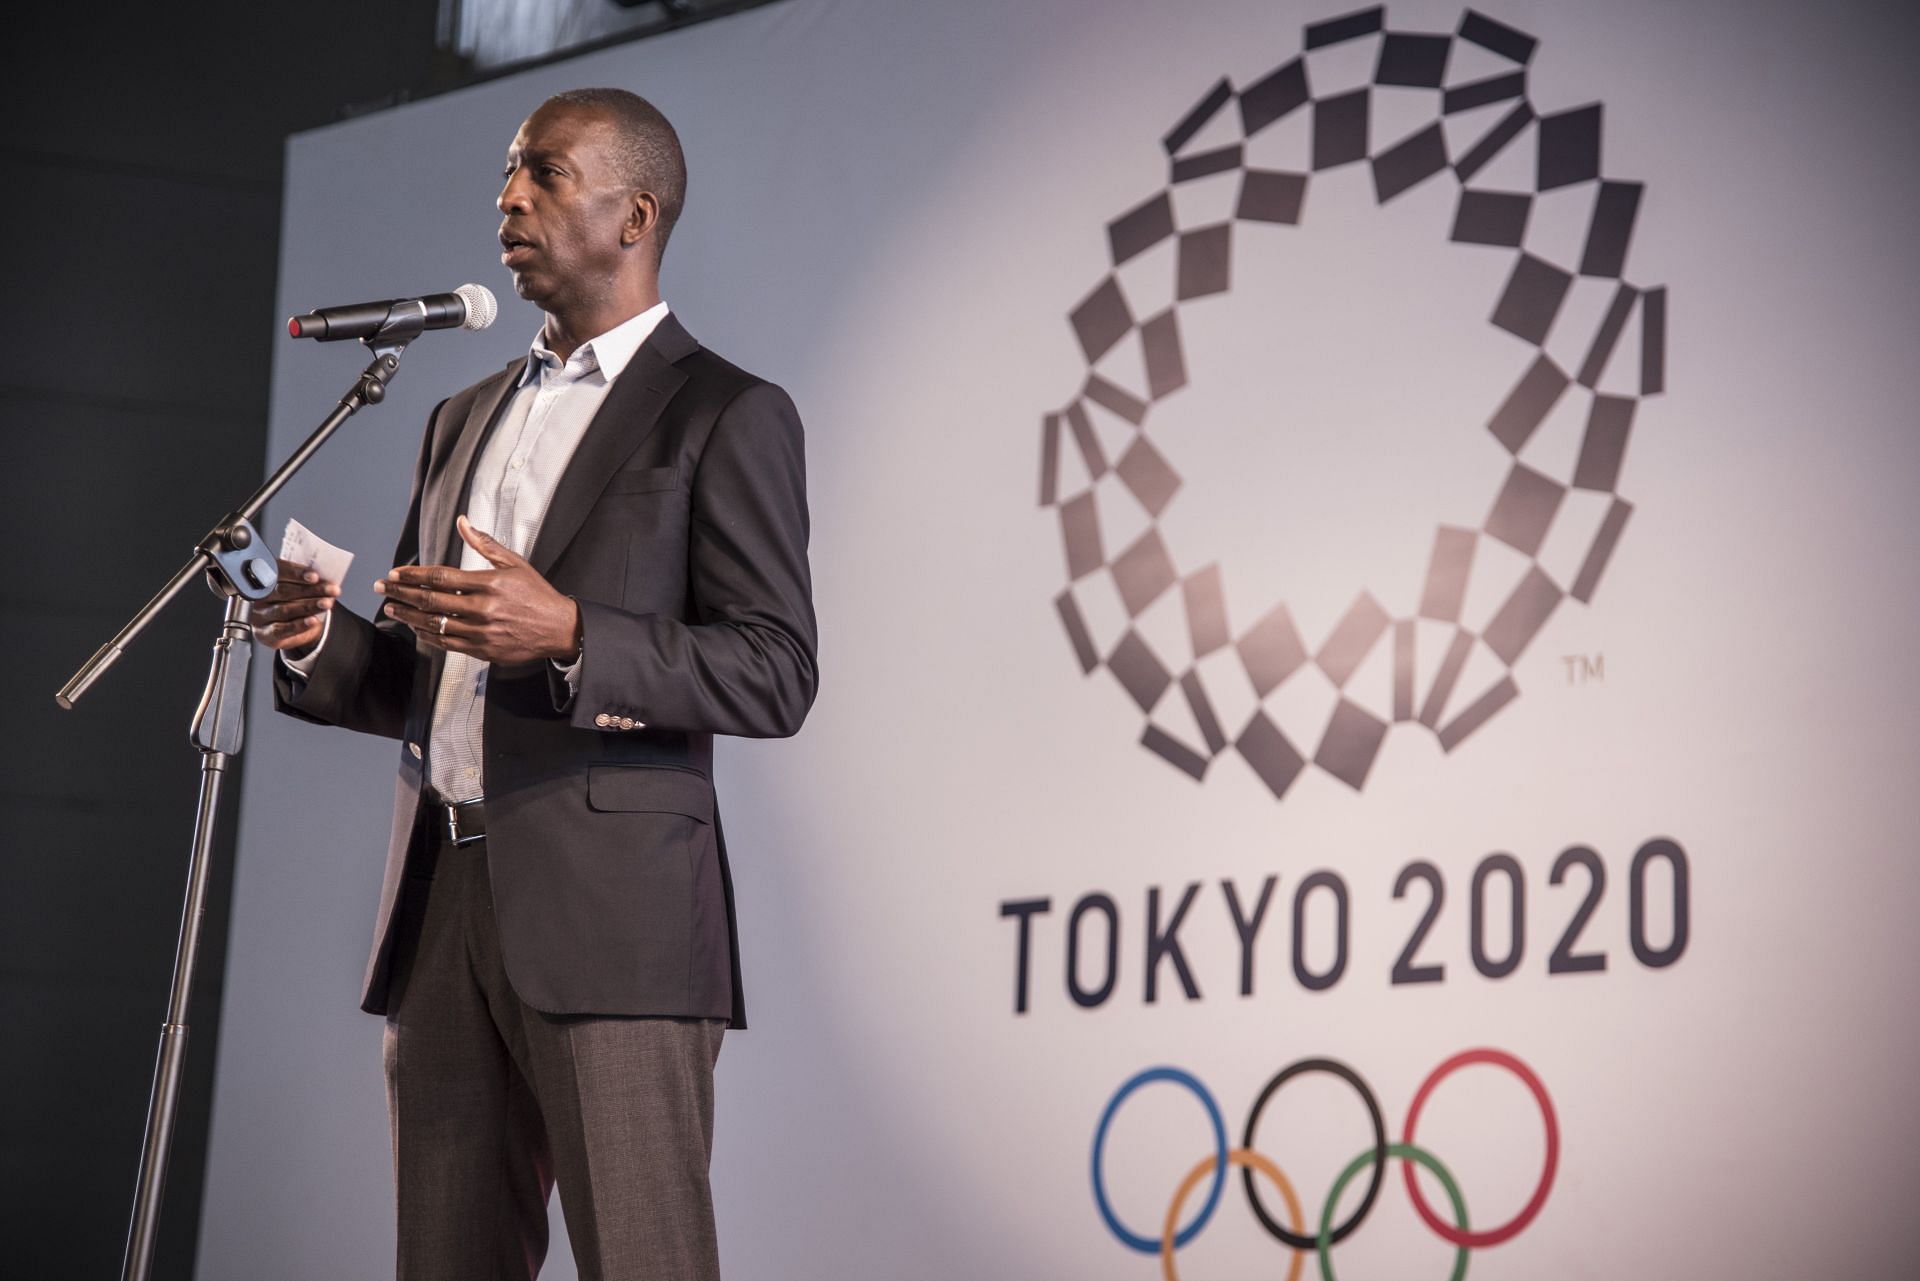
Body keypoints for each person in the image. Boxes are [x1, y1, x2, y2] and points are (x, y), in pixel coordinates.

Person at [251, 86, 817, 1281]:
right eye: (509, 174)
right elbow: (428, 681)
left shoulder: (723, 412)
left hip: (617, 923)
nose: (508, 197)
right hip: (443, 903)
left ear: (635, 213)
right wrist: (318, 643)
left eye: (545, 174)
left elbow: (776, 670)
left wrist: (571, 636)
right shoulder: (462, 416)